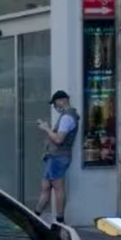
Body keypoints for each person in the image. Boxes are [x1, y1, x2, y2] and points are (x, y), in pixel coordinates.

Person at [36, 90, 80, 223]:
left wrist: (46, 128)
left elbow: (59, 139)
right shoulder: (68, 116)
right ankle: (35, 216)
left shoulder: (67, 118)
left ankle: (60, 220)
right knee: (46, 188)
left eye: (56, 104)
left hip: (58, 158)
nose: (56, 107)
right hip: (54, 157)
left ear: (62, 100)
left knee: (57, 188)